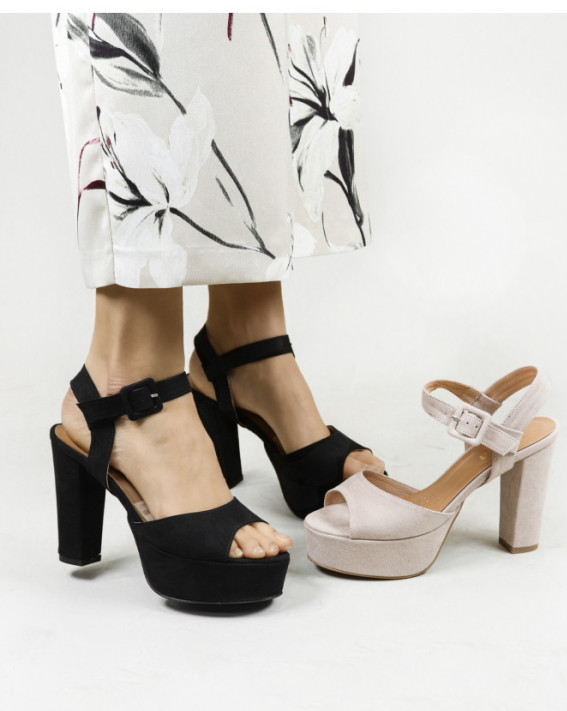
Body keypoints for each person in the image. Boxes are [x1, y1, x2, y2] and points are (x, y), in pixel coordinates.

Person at [50, 12, 385, 607]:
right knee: (179, 27)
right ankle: (128, 377)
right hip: (125, 385)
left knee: (261, 32)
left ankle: (247, 336)